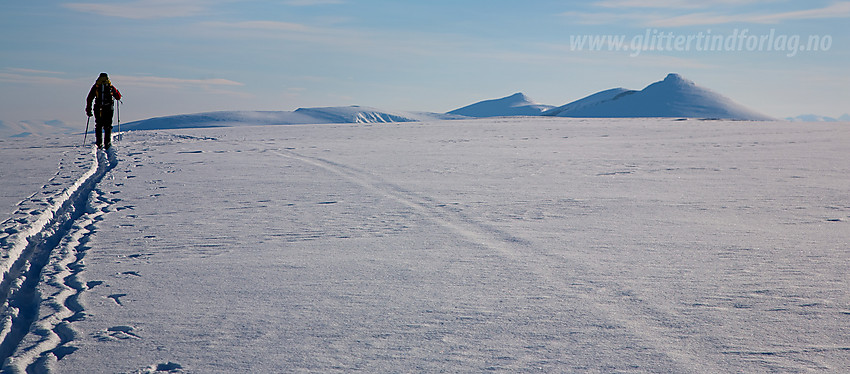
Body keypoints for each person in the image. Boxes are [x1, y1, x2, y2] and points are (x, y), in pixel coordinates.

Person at [85, 73, 122, 149]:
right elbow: (118, 97)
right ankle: (107, 143)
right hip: (108, 108)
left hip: (98, 108)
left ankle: (99, 142)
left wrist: (89, 109)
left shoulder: (96, 86)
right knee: (108, 125)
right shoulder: (110, 86)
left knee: (98, 124)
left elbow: (89, 98)